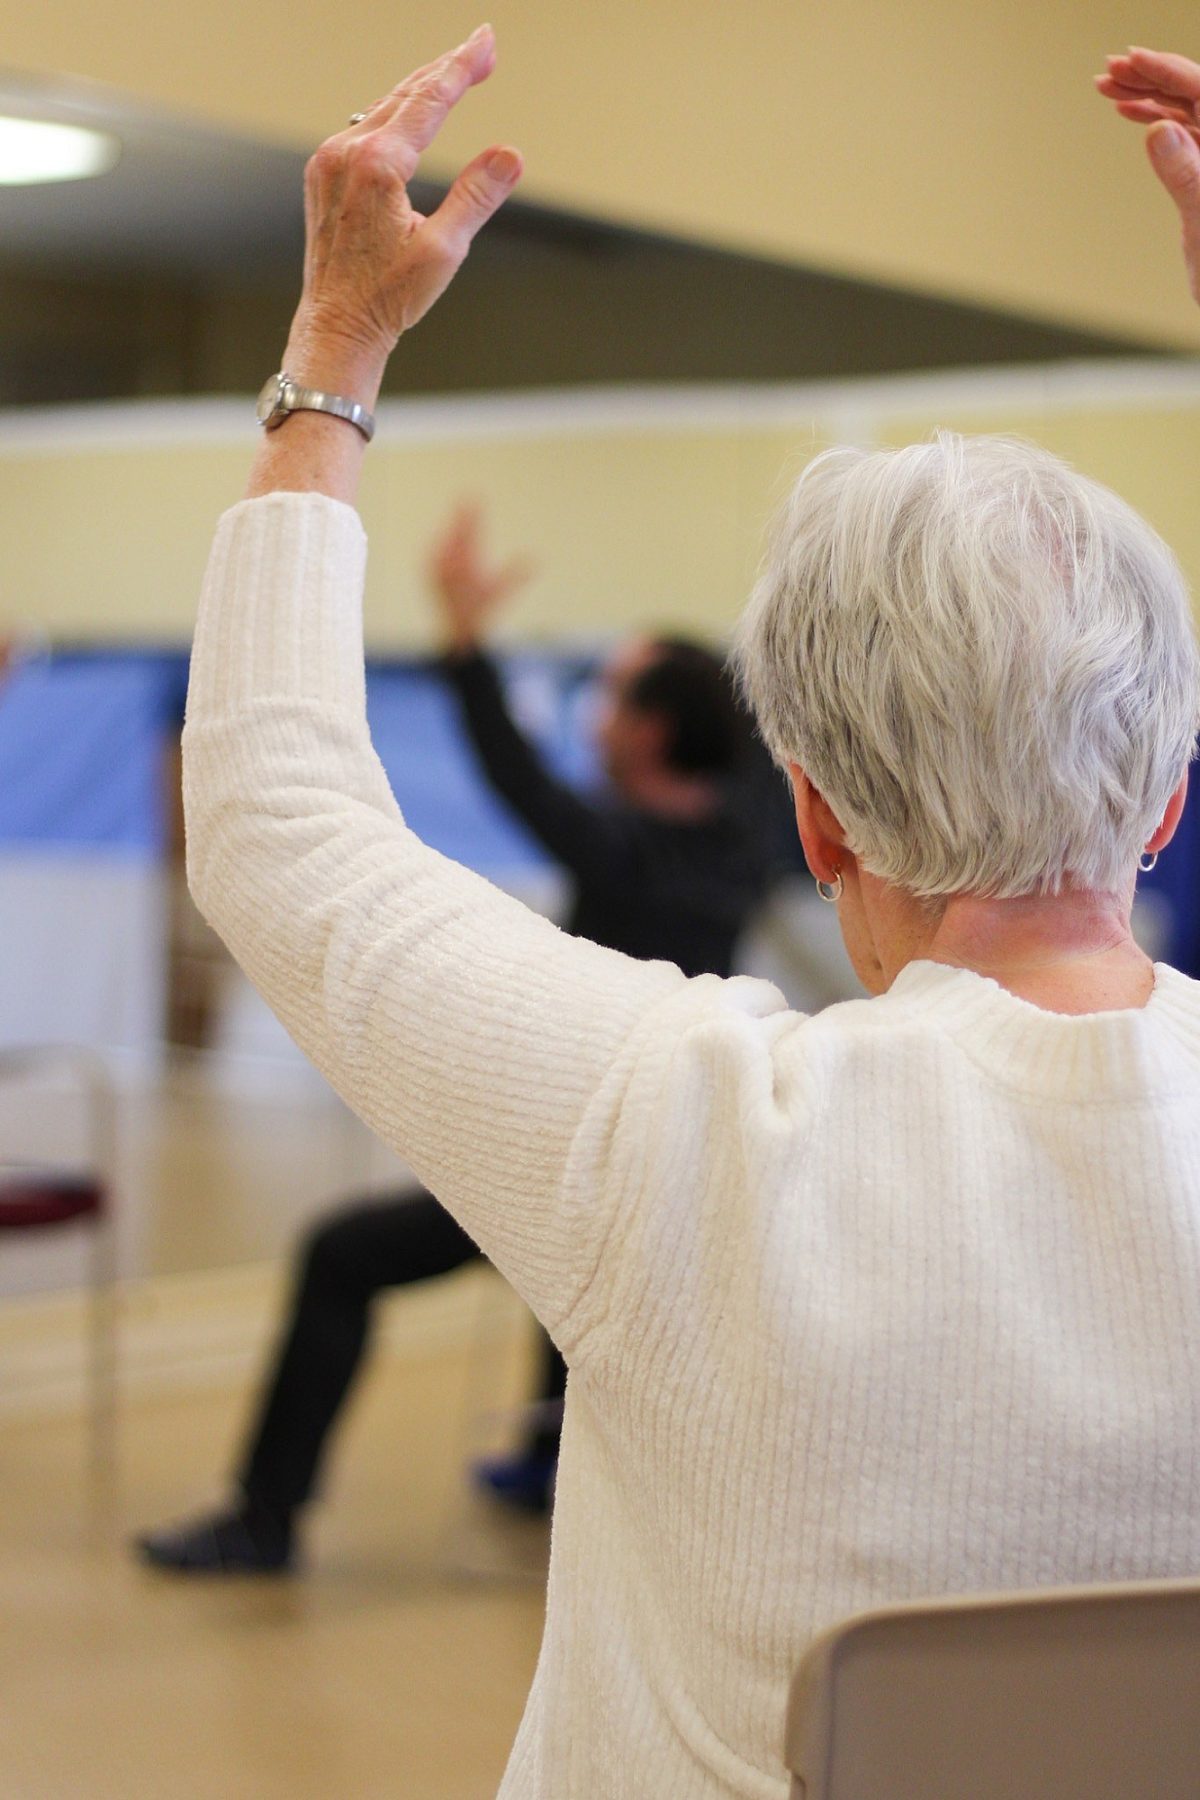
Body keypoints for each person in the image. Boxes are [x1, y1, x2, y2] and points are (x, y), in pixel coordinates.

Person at [178, 30, 1200, 1797]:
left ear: (811, 814)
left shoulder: (684, 1132)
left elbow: (277, 823)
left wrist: (334, 351)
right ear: (1168, 800)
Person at [137, 507, 781, 1572]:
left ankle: (264, 1519)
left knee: (342, 1257)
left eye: (616, 695)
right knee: (565, 1261)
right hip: (652, 1150)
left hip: (574, 1153)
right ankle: (545, 1454)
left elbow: (516, 776)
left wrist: (465, 641)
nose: (597, 713)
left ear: (656, 732)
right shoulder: (747, 831)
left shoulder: (625, 849)